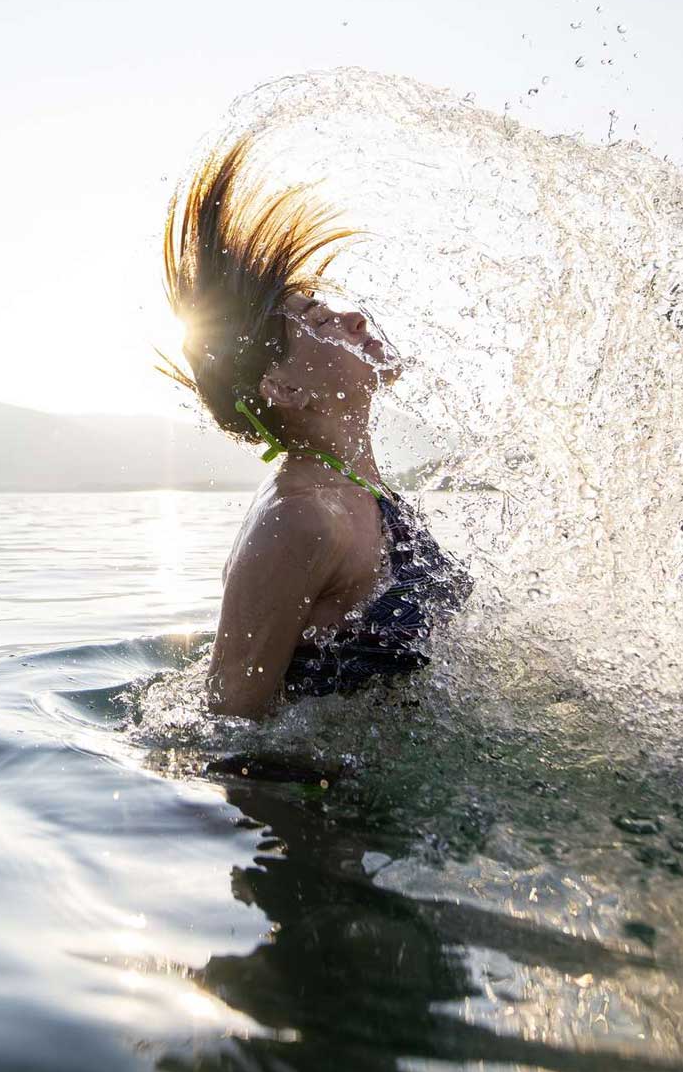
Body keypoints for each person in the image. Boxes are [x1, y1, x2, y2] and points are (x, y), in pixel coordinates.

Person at [159, 137, 470, 718]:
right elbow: (228, 726)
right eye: (322, 322)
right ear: (284, 389)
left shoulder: (354, 491)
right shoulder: (301, 520)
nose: (354, 318)